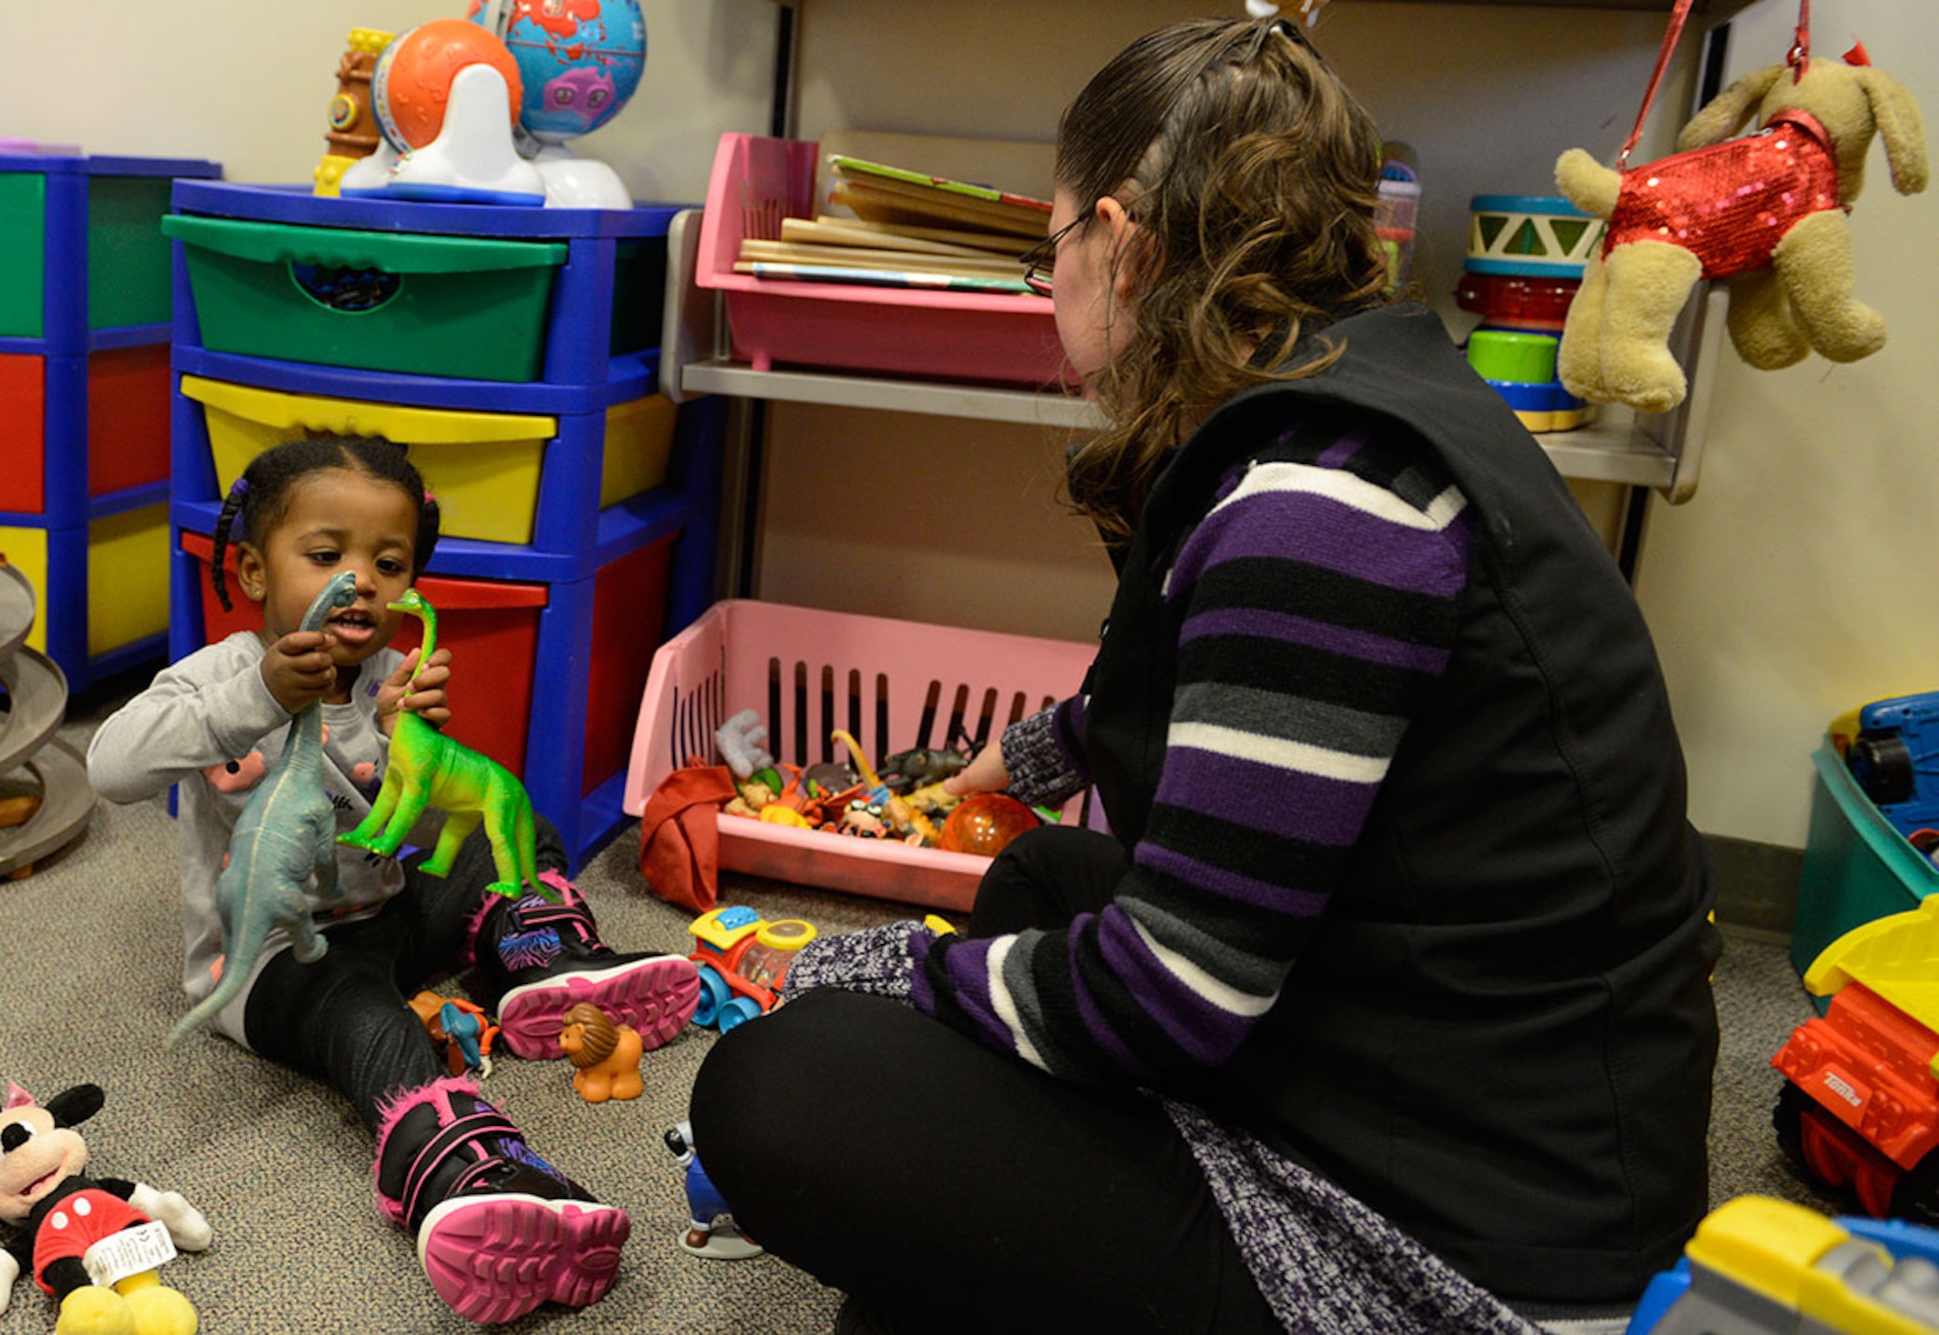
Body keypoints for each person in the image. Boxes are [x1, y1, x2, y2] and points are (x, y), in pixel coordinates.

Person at [688, 17, 1719, 1335]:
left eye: (1050, 247)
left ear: (1121, 240)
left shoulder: (1314, 509)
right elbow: (1260, 701)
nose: (1050, 286)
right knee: (1048, 876)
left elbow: (1173, 994)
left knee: (782, 1082)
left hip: (1463, 1258)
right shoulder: (1373, 409)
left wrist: (881, 976)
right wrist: (1046, 747)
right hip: (1450, 1067)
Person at [87, 436, 701, 1324]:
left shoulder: (386, 679)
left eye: (389, 562)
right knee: (369, 1022)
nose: (362, 580)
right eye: (327, 554)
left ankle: (542, 954)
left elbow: (410, 833)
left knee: (516, 824)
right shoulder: (217, 677)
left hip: (383, 912)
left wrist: (413, 752)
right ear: (256, 571)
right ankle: (458, 1171)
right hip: (269, 961)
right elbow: (111, 768)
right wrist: (258, 694)